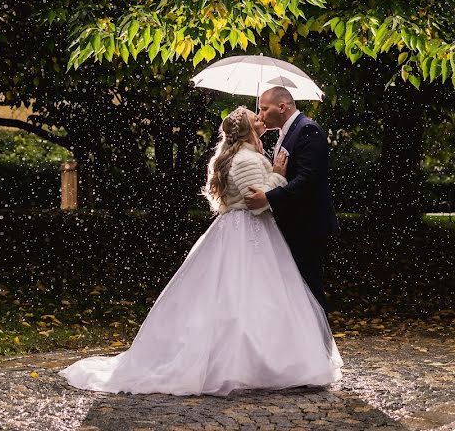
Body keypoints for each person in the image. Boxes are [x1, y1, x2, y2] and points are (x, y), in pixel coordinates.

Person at [59, 106, 342, 396]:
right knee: (248, 296)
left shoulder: (244, 155)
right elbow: (256, 202)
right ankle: (251, 363)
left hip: (244, 230)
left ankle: (263, 360)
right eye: (254, 115)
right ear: (246, 128)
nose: (260, 116)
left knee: (251, 297)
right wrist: (279, 175)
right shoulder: (245, 159)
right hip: (248, 232)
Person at [245, 86, 340, 312]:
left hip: (307, 224)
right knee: (296, 288)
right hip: (294, 224)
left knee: (309, 287)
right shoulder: (287, 133)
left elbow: (308, 179)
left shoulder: (308, 130)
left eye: (264, 109)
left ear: (282, 107)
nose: (260, 115)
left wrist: (268, 197)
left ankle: (321, 344)